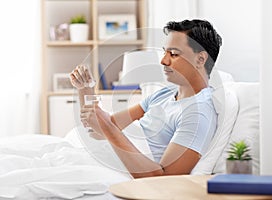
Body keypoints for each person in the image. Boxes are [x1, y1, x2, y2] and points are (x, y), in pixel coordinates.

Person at [69, 19, 222, 178]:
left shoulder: (198, 114)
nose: (163, 60)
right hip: (100, 155)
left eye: (174, 54)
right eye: (165, 52)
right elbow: (100, 131)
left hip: (119, 170)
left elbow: (163, 179)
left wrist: (105, 124)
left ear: (201, 59)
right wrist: (84, 88)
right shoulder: (164, 94)